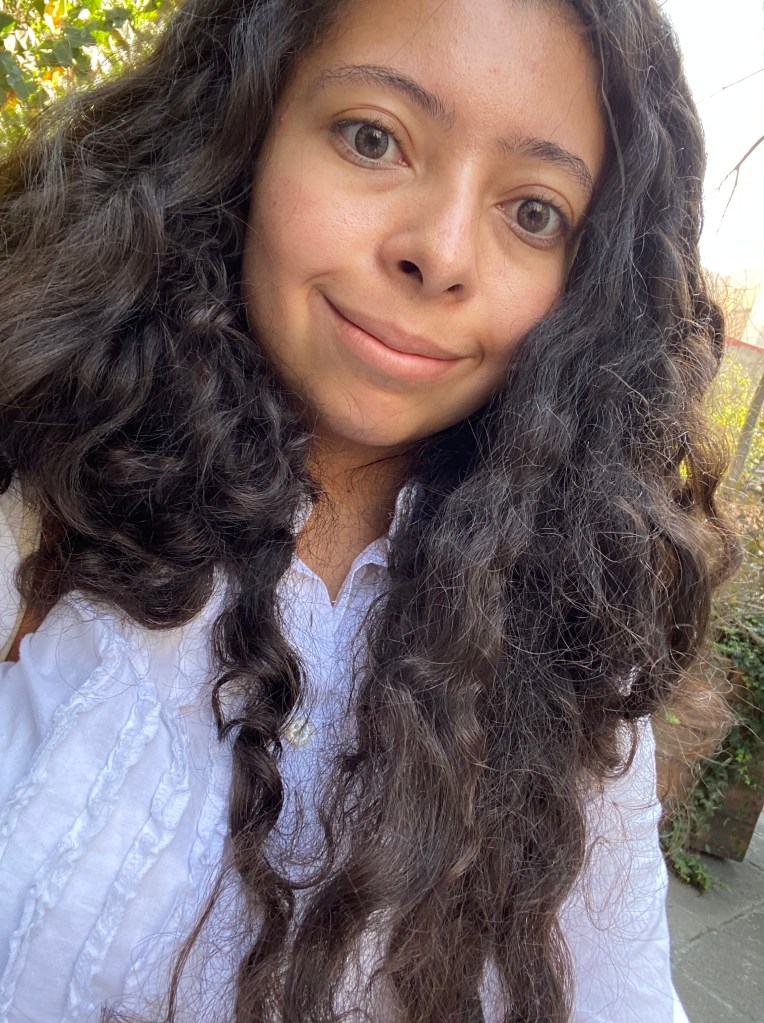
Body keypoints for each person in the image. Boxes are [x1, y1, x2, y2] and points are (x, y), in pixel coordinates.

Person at [0, 0, 738, 1020]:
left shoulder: (574, 632)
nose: (441, 252)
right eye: (372, 138)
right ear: (244, 126)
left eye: (533, 211)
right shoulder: (37, 480)